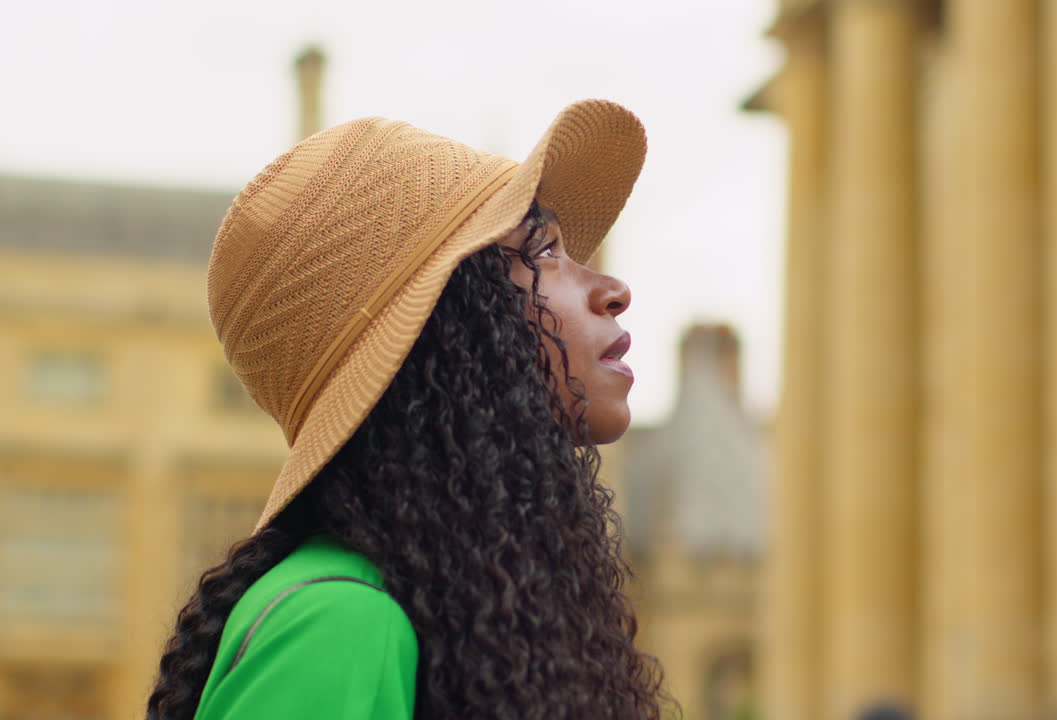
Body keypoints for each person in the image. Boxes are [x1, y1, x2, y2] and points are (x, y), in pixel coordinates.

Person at [145, 100, 667, 720]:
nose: (611, 290)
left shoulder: (455, 610)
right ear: (450, 327)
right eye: (542, 251)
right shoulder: (337, 621)